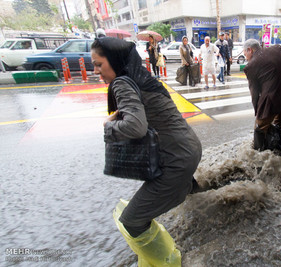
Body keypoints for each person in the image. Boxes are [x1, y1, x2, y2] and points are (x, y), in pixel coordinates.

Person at [91, 37, 202, 266]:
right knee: (195, 196)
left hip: (176, 158)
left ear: (114, 61)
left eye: (99, 64)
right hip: (188, 147)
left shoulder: (122, 83)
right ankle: (226, 207)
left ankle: (168, 262)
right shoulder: (141, 78)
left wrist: (108, 126)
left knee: (131, 221)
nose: (95, 70)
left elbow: (135, 126)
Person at [243, 39, 281, 152]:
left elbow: (254, 93)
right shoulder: (277, 48)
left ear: (250, 50)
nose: (246, 57)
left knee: (260, 127)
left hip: (272, 102)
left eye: (245, 54)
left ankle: (258, 156)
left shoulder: (250, 66)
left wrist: (258, 113)